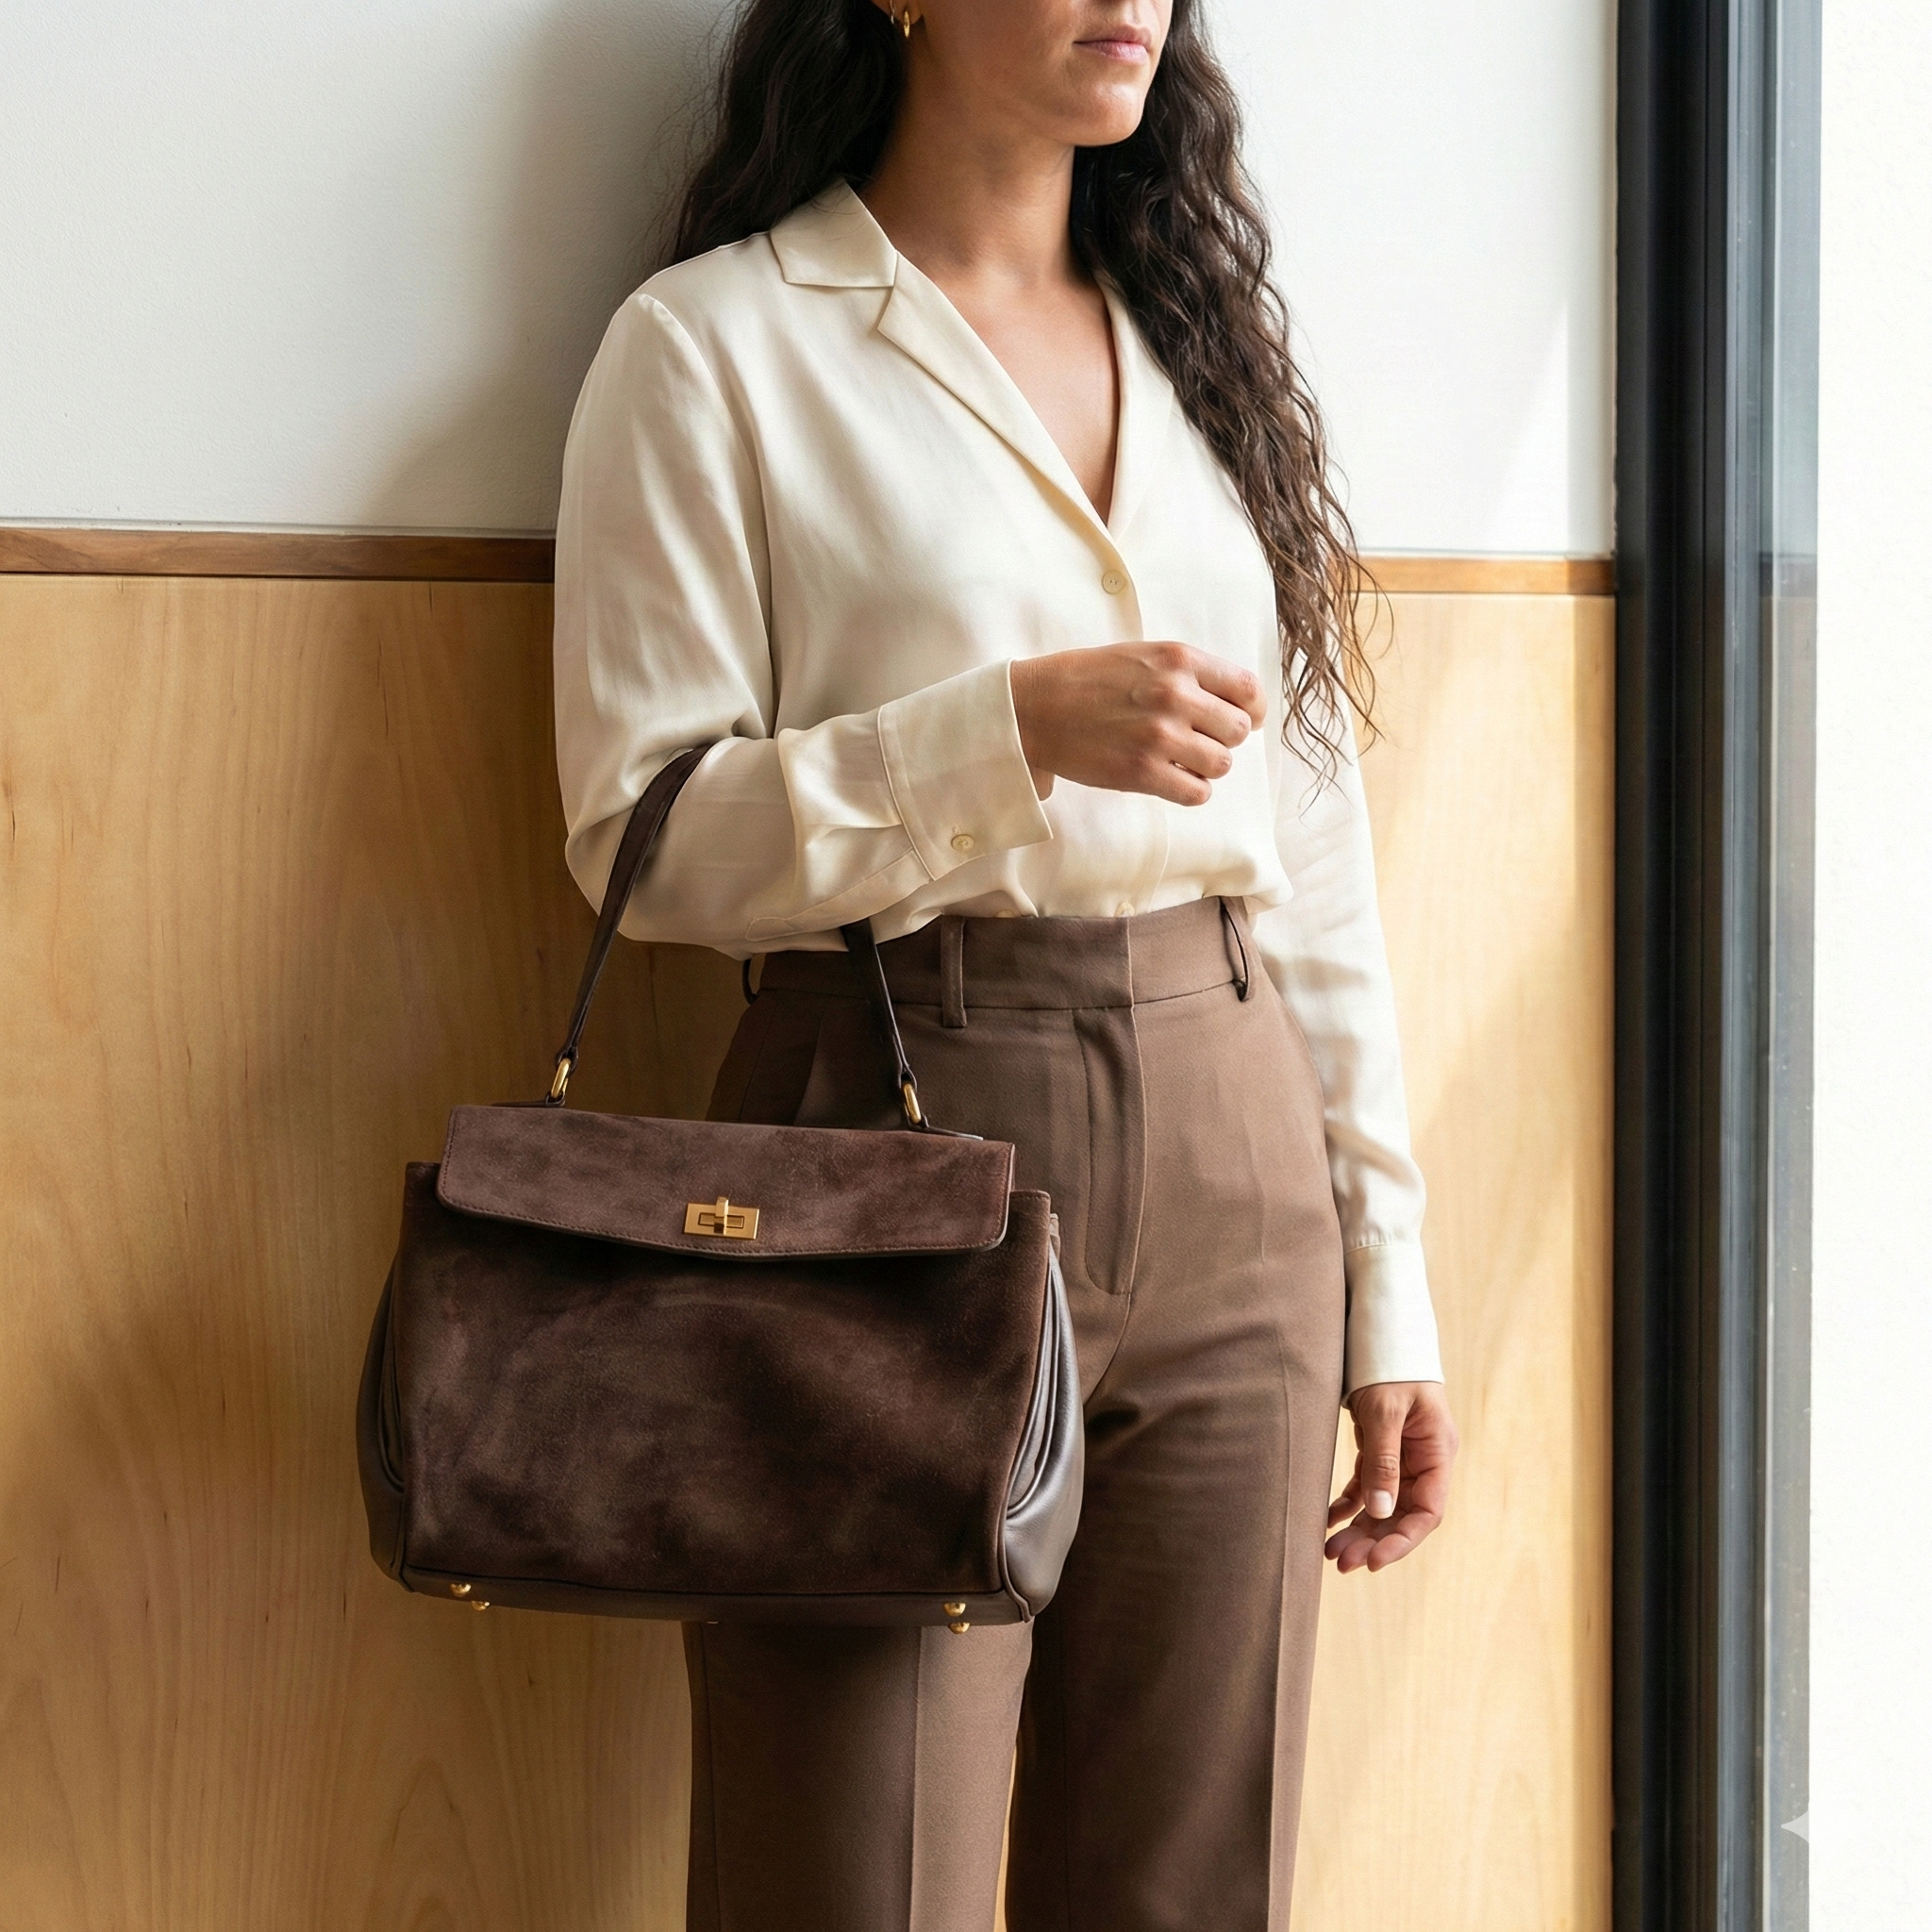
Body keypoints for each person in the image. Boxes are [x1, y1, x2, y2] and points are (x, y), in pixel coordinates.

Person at [552, 1, 1457, 1924]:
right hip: (888, 1140)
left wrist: (1389, 1281)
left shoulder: (1202, 345)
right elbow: (642, 839)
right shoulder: (718, 345)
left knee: (1187, 1885)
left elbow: (1313, 852)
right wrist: (1003, 733)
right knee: (848, 1875)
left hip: (1235, 1148)